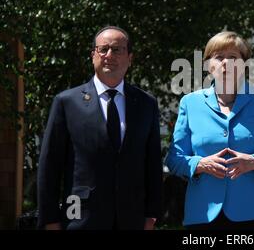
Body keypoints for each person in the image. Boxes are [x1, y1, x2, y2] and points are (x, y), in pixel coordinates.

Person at [37, 26, 163, 230]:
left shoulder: (146, 103)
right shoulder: (67, 102)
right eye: (103, 49)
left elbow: (153, 163)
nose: (109, 55)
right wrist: (50, 220)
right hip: (80, 218)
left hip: (132, 219)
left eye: (117, 50)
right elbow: (50, 165)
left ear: (130, 58)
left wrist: (152, 216)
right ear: (93, 55)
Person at [166, 31, 254, 230]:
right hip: (203, 215)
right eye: (218, 57)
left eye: (233, 57)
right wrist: (200, 164)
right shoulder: (190, 103)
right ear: (208, 65)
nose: (226, 63)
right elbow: (174, 158)